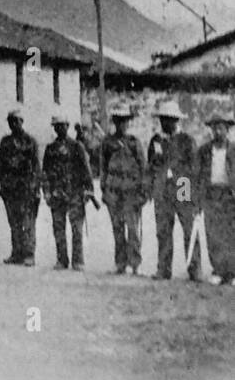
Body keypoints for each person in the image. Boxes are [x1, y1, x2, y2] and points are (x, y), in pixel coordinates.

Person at [148, 100, 201, 281]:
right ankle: (163, 269)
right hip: (163, 190)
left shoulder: (187, 140)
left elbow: (194, 168)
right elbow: (151, 165)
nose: (164, 123)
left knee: (188, 228)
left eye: (168, 119)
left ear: (176, 120)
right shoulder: (156, 141)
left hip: (183, 187)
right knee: (163, 230)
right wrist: (152, 186)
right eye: (162, 119)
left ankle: (195, 270)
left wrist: (193, 194)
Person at [42, 115, 94, 271]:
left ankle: (78, 261)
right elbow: (45, 172)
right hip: (57, 193)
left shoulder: (76, 146)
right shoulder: (50, 148)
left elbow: (86, 170)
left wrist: (89, 190)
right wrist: (47, 192)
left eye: (62, 125)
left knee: (76, 229)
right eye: (56, 126)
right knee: (58, 228)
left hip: (74, 192)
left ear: (67, 126)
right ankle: (61, 260)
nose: (59, 128)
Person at [100, 104, 146, 275]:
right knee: (117, 228)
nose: (122, 125)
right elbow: (103, 167)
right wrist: (104, 189)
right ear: (114, 123)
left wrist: (143, 191)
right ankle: (120, 263)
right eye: (119, 121)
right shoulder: (108, 142)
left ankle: (135, 263)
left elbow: (143, 167)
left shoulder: (134, 143)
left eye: (125, 121)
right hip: (114, 191)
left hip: (131, 192)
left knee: (133, 229)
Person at [0, 108, 41, 266]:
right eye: (11, 121)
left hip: (26, 188)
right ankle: (16, 252)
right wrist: (3, 184)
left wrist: (34, 188)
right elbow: (0, 166)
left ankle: (29, 254)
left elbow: (36, 168)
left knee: (27, 222)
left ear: (22, 122)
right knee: (14, 222)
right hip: (10, 188)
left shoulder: (30, 141)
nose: (14, 124)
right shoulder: (6, 142)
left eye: (17, 121)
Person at [197, 113, 235, 285]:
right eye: (215, 128)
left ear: (227, 130)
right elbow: (196, 176)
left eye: (221, 128)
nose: (218, 131)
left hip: (229, 196)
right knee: (213, 234)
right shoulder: (204, 150)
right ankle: (218, 270)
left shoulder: (234, 150)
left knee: (230, 234)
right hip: (211, 195)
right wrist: (195, 199)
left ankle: (232, 272)